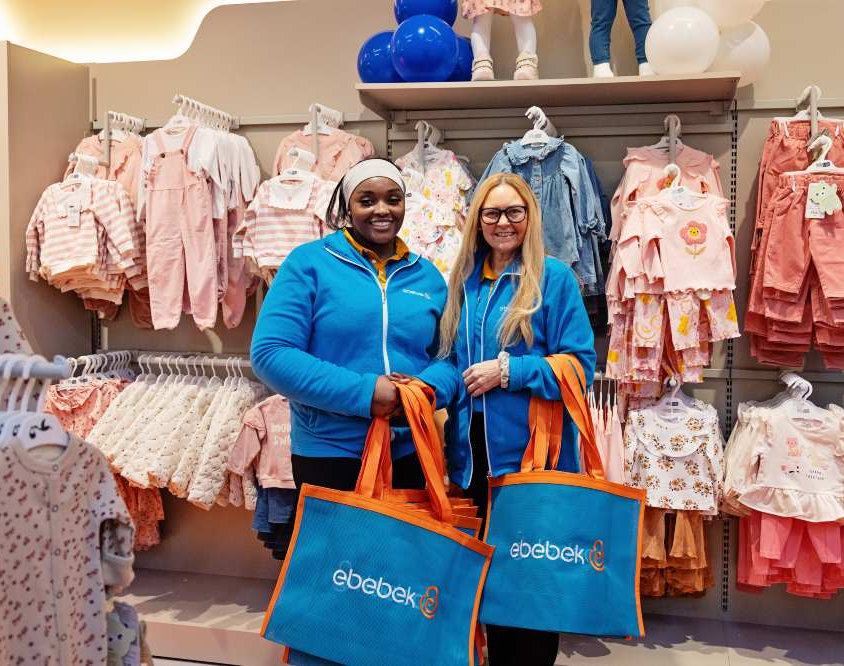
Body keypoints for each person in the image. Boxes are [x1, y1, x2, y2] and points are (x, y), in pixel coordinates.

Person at [250, 158, 458, 547]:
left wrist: (426, 390)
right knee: (340, 571)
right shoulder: (309, 264)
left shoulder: (427, 275)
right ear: (348, 207)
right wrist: (367, 393)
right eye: (367, 200)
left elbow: (449, 357)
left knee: (402, 569)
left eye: (392, 199)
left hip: (411, 450)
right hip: (331, 452)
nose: (382, 210)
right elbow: (271, 353)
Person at [438, 172, 596, 665]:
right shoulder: (464, 281)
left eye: (513, 212)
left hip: (531, 465)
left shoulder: (554, 278)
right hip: (470, 466)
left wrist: (510, 371)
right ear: (477, 220)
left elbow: (581, 368)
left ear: (530, 217)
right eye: (492, 213)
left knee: (527, 596)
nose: (502, 222)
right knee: (481, 588)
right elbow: (452, 362)